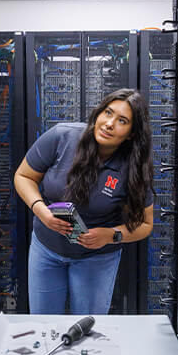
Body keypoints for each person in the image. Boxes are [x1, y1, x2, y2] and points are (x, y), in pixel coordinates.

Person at [14, 88, 154, 314]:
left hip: (96, 258)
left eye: (122, 120)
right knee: (45, 326)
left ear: (131, 133)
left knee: (87, 331)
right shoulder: (62, 137)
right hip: (46, 250)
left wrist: (111, 235)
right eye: (108, 113)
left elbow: (145, 224)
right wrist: (40, 210)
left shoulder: (132, 167)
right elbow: (23, 176)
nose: (109, 124)